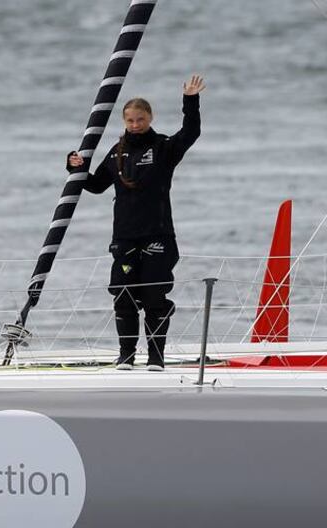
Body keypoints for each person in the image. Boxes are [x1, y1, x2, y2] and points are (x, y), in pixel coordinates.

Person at [68, 74, 204, 370]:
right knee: (124, 296)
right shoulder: (117, 151)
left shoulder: (164, 147)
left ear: (150, 118)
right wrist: (74, 167)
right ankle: (126, 356)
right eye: (130, 120)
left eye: (140, 119)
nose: (135, 125)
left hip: (158, 236)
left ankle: (156, 357)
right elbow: (95, 186)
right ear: (124, 121)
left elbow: (191, 132)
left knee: (154, 297)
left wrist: (190, 100)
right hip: (125, 238)